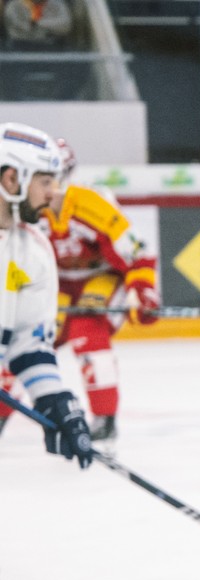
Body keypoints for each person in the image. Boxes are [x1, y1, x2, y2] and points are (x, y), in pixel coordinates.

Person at [14, 138, 157, 448]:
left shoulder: (91, 204)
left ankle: (104, 420)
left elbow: (137, 253)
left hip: (100, 279)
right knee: (20, 339)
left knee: (86, 331)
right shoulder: (20, 209)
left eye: (54, 176)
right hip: (56, 283)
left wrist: (143, 292)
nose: (49, 187)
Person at [0, 123, 92, 468]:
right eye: (45, 181)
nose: (54, 193)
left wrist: (54, 400)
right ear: (12, 180)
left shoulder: (33, 251)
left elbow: (28, 344)